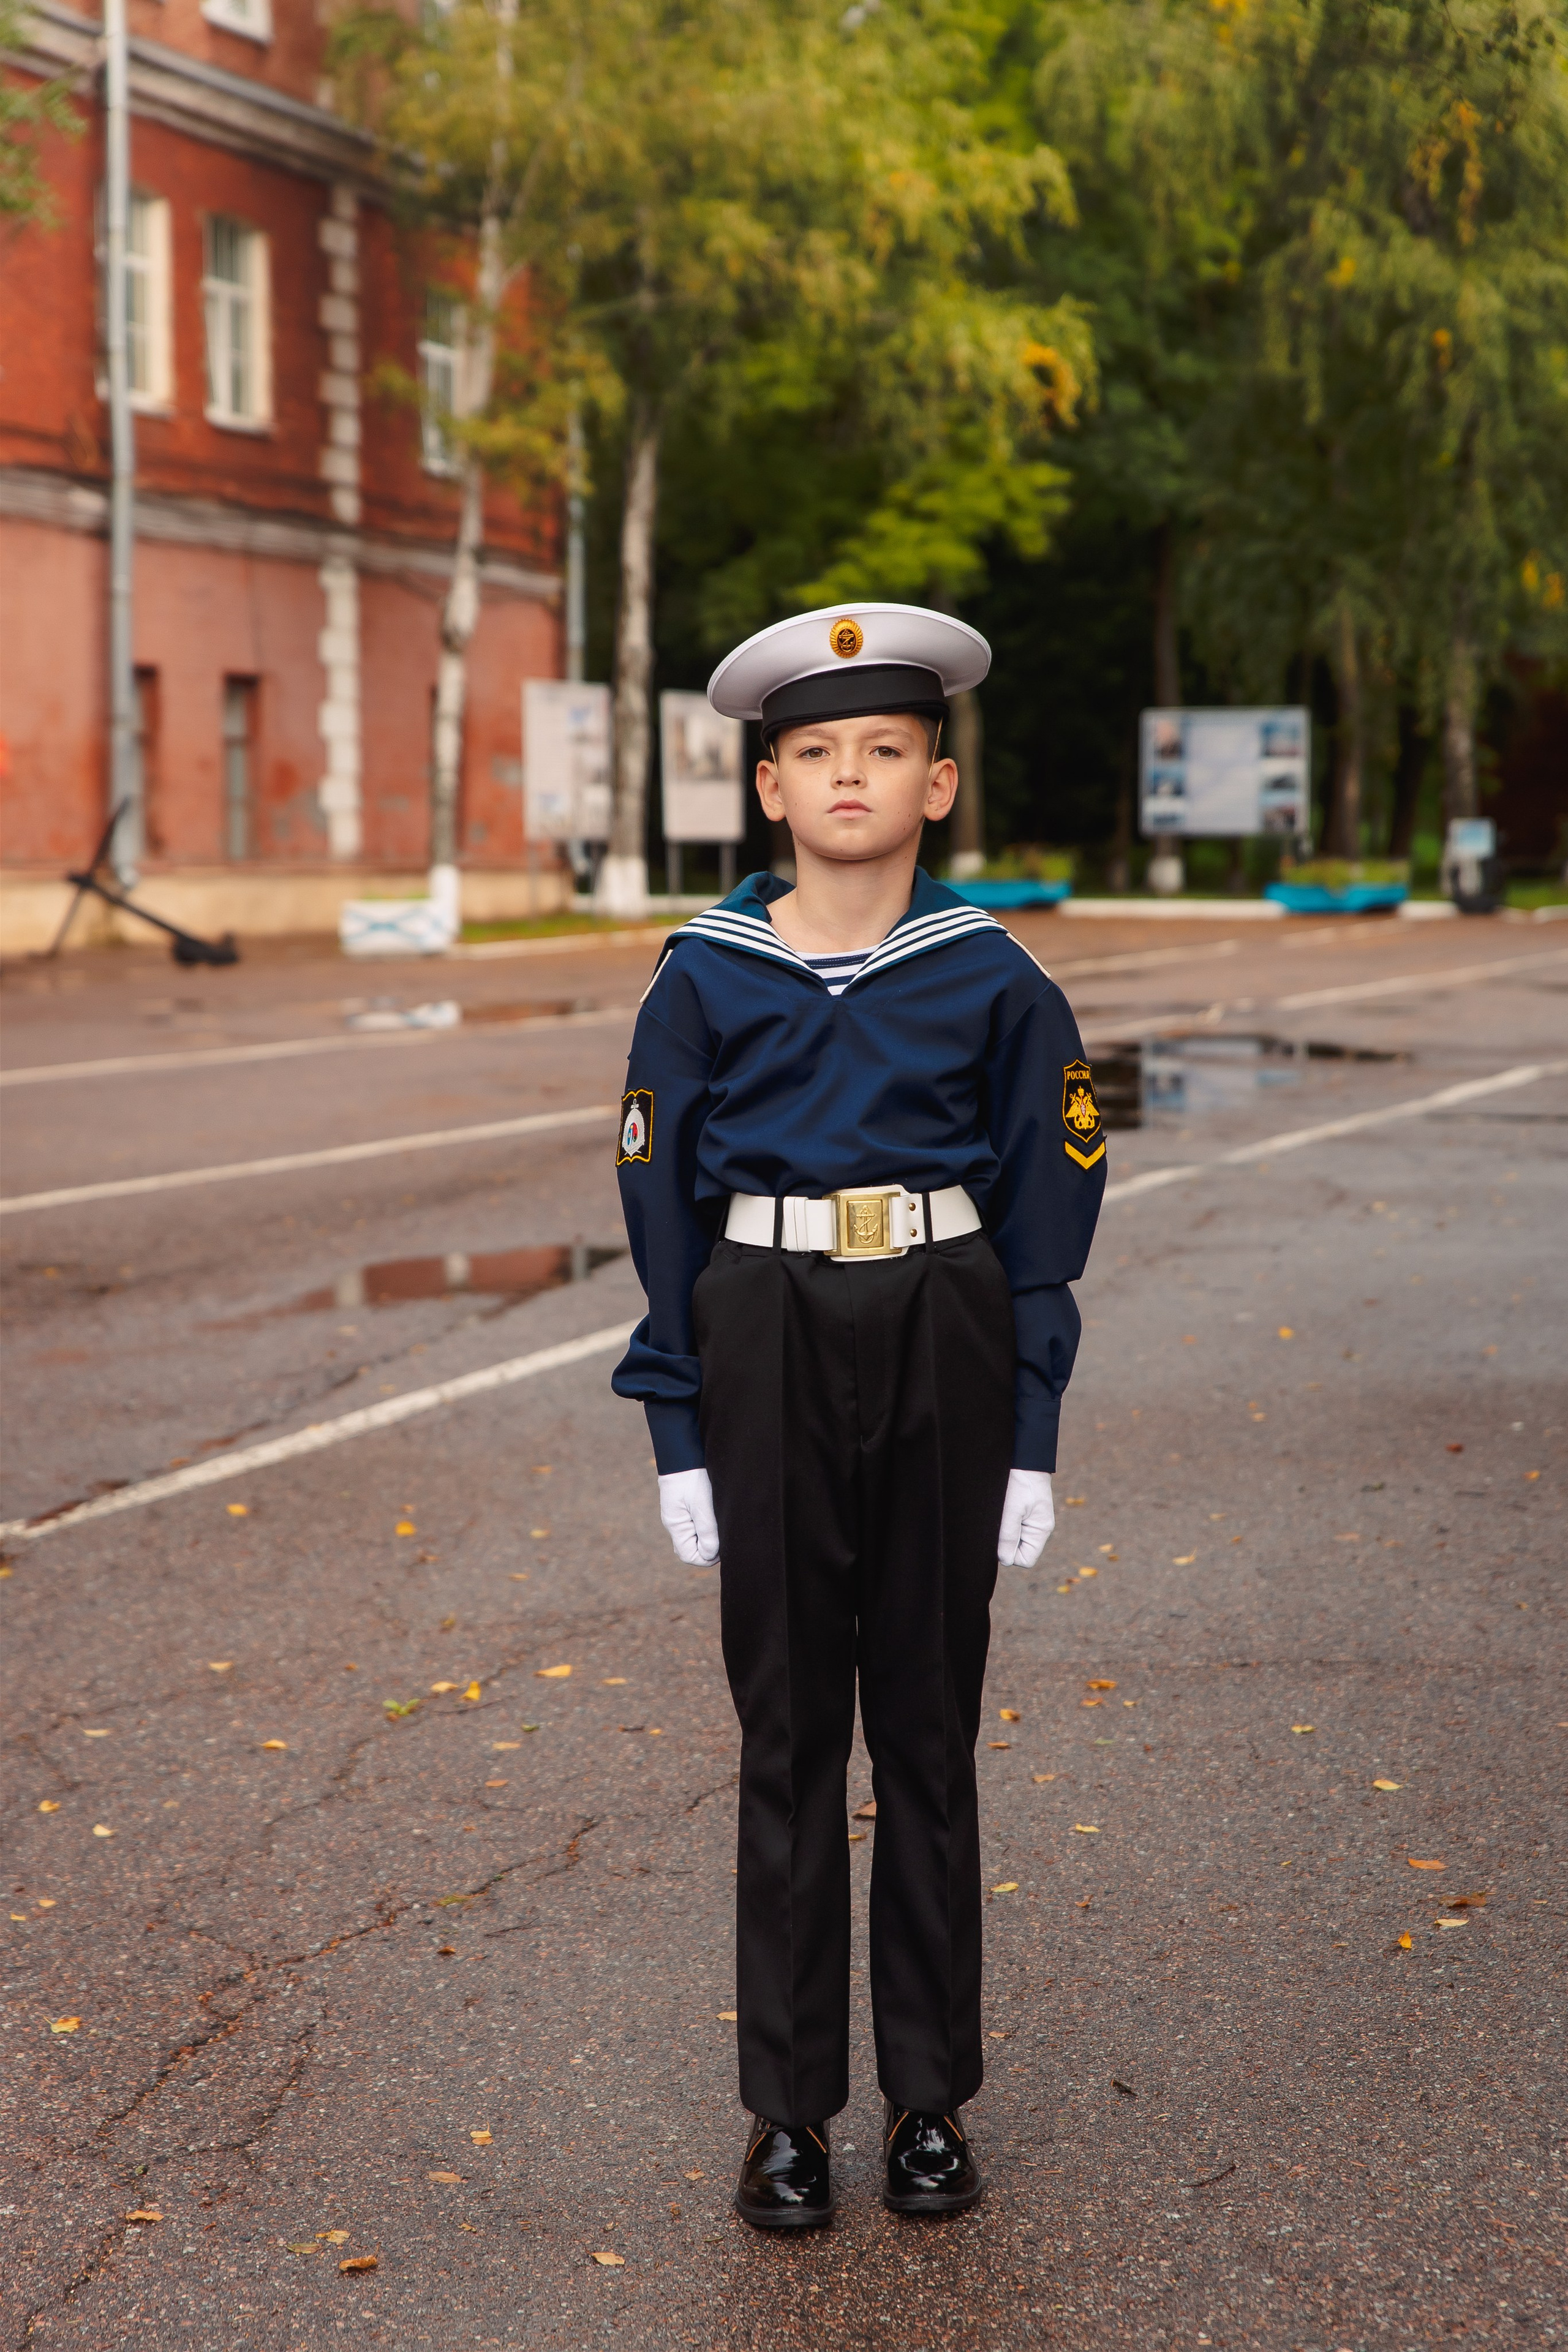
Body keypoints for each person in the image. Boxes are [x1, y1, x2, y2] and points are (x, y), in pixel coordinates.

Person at [612, 601, 1106, 2228]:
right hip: (759, 1331)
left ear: (938, 786)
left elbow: (1048, 1208)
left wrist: (1032, 1427)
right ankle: (785, 2117)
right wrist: (679, 1427)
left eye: (882, 750)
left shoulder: (992, 977)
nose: (848, 776)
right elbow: (659, 1207)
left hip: (943, 1328)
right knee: (788, 1738)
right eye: (814, 752)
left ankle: (930, 2104)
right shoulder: (704, 974)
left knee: (927, 1730)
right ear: (768, 789)